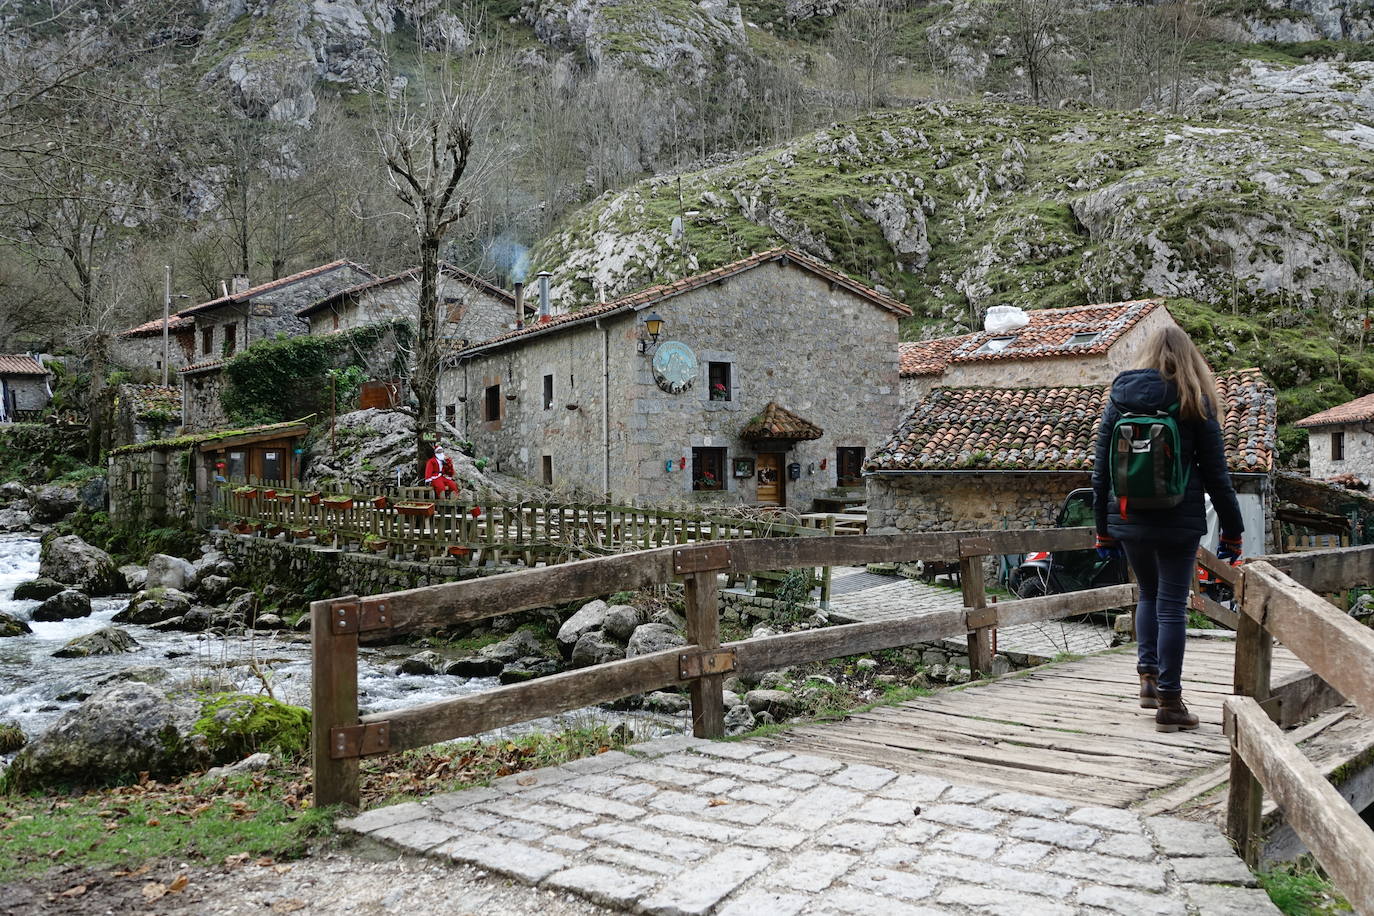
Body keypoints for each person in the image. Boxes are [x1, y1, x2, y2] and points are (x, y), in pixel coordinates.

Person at [1091, 326, 1244, 733]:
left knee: (1149, 594)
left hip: (1128, 519)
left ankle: (1147, 680)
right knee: (1173, 604)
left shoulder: (1120, 398)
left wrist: (1103, 529)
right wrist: (1233, 532)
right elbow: (1217, 476)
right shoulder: (1196, 399)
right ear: (1190, 358)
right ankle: (1171, 703)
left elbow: (1101, 471)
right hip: (1178, 521)